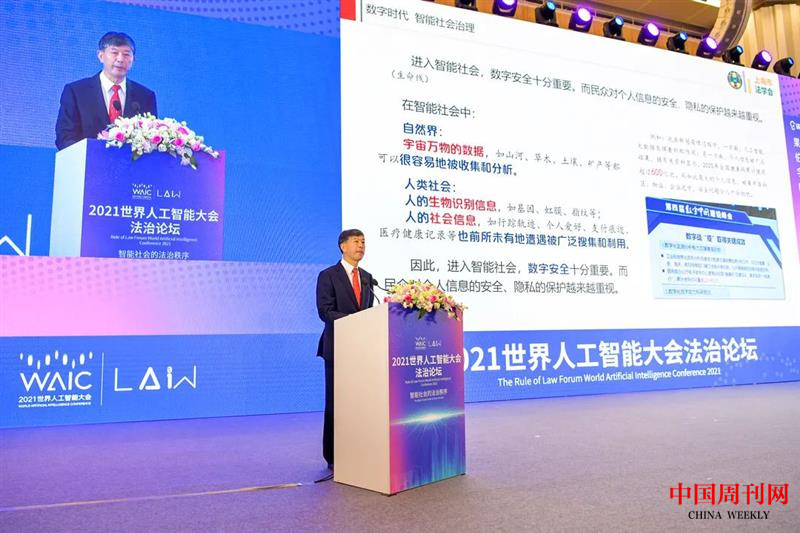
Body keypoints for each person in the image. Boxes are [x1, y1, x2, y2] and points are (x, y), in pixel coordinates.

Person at [315, 229, 374, 469]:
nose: (361, 246)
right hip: (337, 347)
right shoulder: (328, 275)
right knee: (336, 402)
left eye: (363, 242)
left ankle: (359, 450)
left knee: (360, 402)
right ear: (343, 246)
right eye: (356, 241)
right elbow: (325, 311)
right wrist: (354, 321)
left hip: (362, 349)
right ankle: (333, 456)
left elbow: (369, 312)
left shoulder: (368, 277)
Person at [55, 32, 157, 150]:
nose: (120, 59)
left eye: (126, 54)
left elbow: (151, 138)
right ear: (101, 56)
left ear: (133, 59)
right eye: (114, 53)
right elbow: (65, 136)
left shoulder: (145, 96)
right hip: (88, 160)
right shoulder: (76, 92)